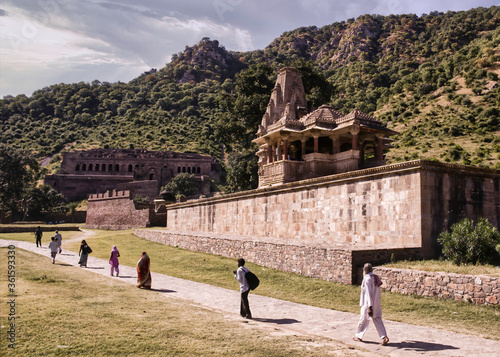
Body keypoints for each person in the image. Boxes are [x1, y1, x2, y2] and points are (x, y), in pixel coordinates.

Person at [353, 263, 389, 346]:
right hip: (376, 303)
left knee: (363, 319)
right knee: (377, 319)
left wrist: (370, 307)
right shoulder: (375, 277)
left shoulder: (368, 279)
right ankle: (384, 337)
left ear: (364, 270)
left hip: (368, 304)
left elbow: (368, 294)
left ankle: (358, 336)